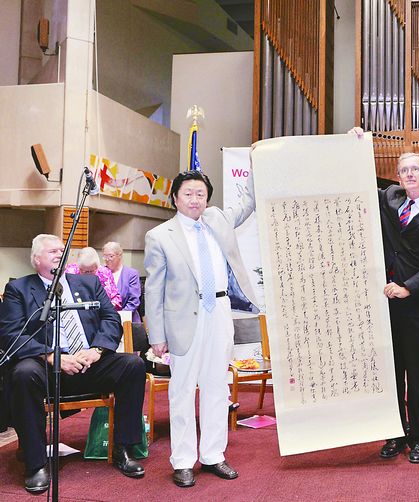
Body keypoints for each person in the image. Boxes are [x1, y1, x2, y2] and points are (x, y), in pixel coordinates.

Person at [0, 234, 146, 493]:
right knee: (22, 373)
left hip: (89, 362)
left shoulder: (89, 283)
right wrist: (51, 356)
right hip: (46, 367)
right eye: (52, 251)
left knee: (133, 365)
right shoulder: (19, 289)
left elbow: (111, 319)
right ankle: (36, 463)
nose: (60, 254)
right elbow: (11, 334)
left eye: (62, 250)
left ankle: (123, 448)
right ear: (36, 259)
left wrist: (97, 350)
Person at [350, 130, 419, 462]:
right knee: (391, 373)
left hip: (417, 307)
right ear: (398, 177)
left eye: (415, 170)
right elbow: (360, 180)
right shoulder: (390, 198)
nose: (410, 174)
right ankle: (395, 435)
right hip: (385, 305)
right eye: (404, 170)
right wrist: (357, 145)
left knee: (417, 374)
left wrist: (408, 286)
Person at [144, 169, 258, 488]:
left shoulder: (217, 219)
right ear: (175, 198)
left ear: (207, 198)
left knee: (217, 387)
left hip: (219, 311)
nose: (195, 199)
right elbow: (153, 289)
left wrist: (256, 160)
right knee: (182, 390)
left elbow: (248, 203)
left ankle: (213, 454)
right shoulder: (160, 236)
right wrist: (157, 336)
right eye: (188, 193)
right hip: (183, 318)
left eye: (200, 194)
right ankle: (182, 460)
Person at [102, 242, 141, 322]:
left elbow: (134, 301)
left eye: (110, 256)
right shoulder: (101, 273)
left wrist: (118, 317)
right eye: (105, 256)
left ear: (119, 255)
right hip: (106, 320)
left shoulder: (131, 274)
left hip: (127, 320)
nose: (107, 259)